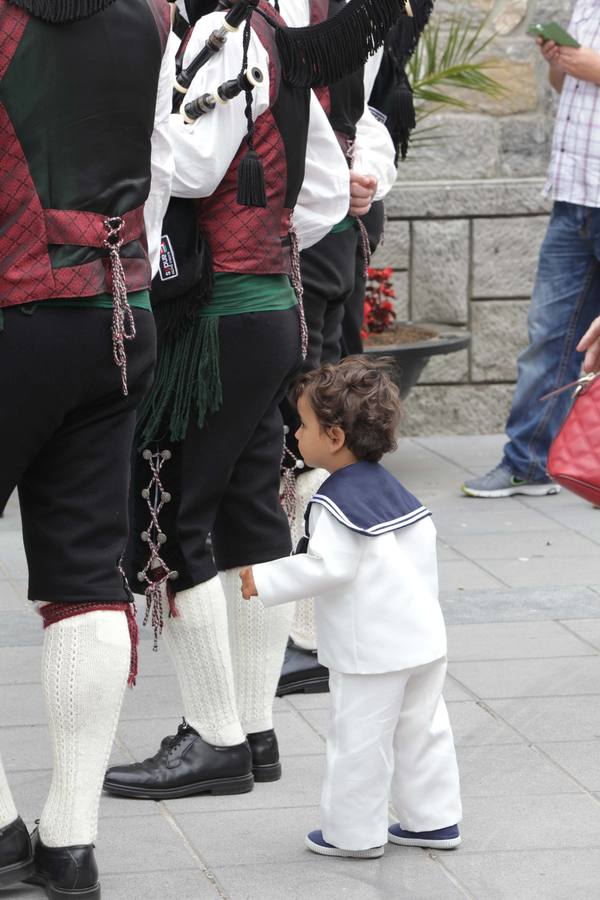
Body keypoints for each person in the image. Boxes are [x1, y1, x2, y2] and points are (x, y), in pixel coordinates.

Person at [103, 0, 352, 802]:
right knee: (249, 513)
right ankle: (252, 729)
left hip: (217, 324)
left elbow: (193, 170)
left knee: (170, 520)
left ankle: (215, 738)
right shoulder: (273, 38)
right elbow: (326, 196)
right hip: (270, 307)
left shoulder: (224, 38)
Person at [0, 0, 175, 896]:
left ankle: (0, 833)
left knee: (84, 577)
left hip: (14, 311)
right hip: (118, 310)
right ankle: (71, 846)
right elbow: (168, 160)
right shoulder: (154, 10)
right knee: (85, 575)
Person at [240, 357, 462, 858]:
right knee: (422, 730)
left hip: (371, 653)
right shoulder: (395, 491)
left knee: (359, 740)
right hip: (423, 641)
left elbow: (329, 566)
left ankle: (353, 833)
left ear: (335, 437)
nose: (296, 433)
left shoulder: (335, 501)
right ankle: (433, 820)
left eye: (303, 425)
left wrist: (265, 578)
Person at [275, 0, 398, 698]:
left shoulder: (349, 13)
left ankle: (311, 636)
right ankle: (319, 628)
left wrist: (361, 176)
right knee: (315, 423)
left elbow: (371, 114)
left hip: (310, 243)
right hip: (302, 236)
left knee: (313, 428)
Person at [462, 2, 600, 498]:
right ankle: (528, 463)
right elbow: (568, 88)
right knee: (549, 337)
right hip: (574, 196)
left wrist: (592, 65)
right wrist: (560, 62)